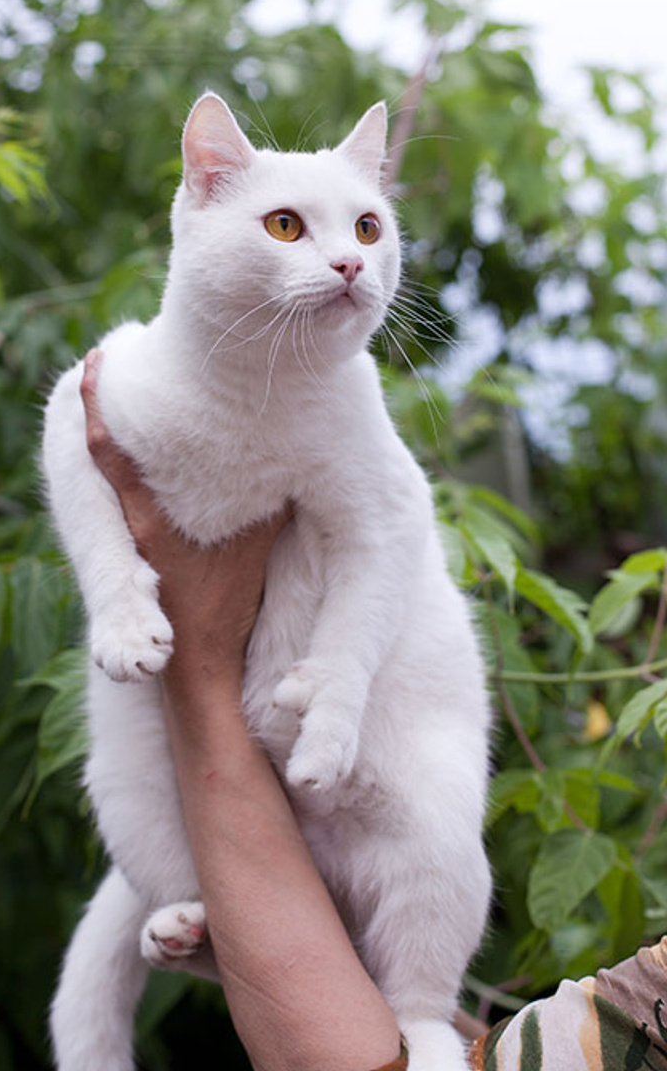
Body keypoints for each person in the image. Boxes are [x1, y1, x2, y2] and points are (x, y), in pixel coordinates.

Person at [79, 350, 667, 1071]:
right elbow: (75, 417)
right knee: (124, 782)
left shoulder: (344, 393)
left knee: (438, 834)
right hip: (234, 756)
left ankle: (418, 1010)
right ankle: (225, 915)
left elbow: (390, 516)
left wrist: (327, 678)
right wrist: (116, 590)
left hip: (373, 746)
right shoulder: (149, 368)